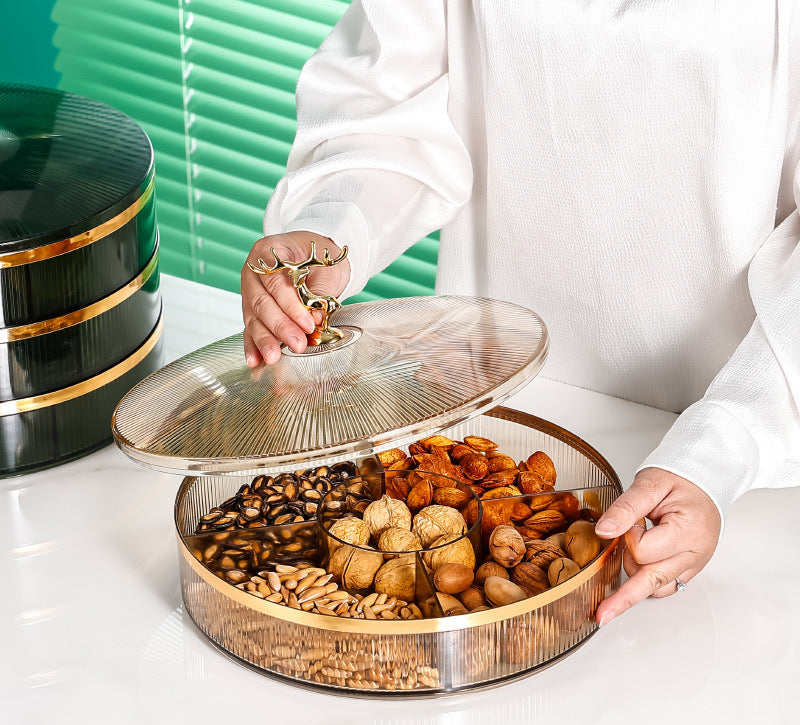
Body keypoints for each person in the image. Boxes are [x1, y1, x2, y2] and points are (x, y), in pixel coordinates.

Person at [240, 2, 800, 625]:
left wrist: (721, 452)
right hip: (492, 421)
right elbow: (388, 109)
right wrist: (330, 232)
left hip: (735, 463)